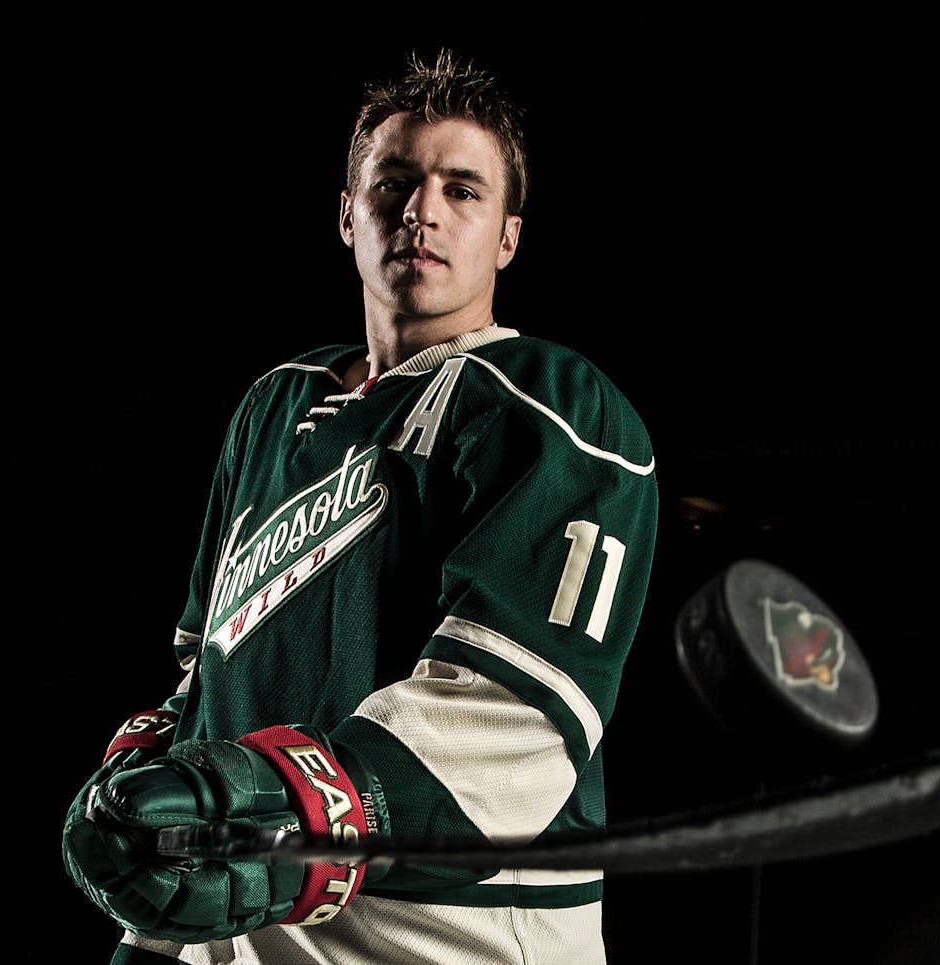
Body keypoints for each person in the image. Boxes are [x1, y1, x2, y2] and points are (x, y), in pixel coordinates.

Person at [62, 48, 659, 965]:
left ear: (506, 236)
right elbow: (209, 675)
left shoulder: (549, 407)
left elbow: (512, 721)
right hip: (251, 934)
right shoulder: (272, 408)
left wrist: (292, 800)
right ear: (349, 215)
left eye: (463, 190)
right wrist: (158, 849)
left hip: (446, 939)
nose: (423, 209)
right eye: (396, 182)